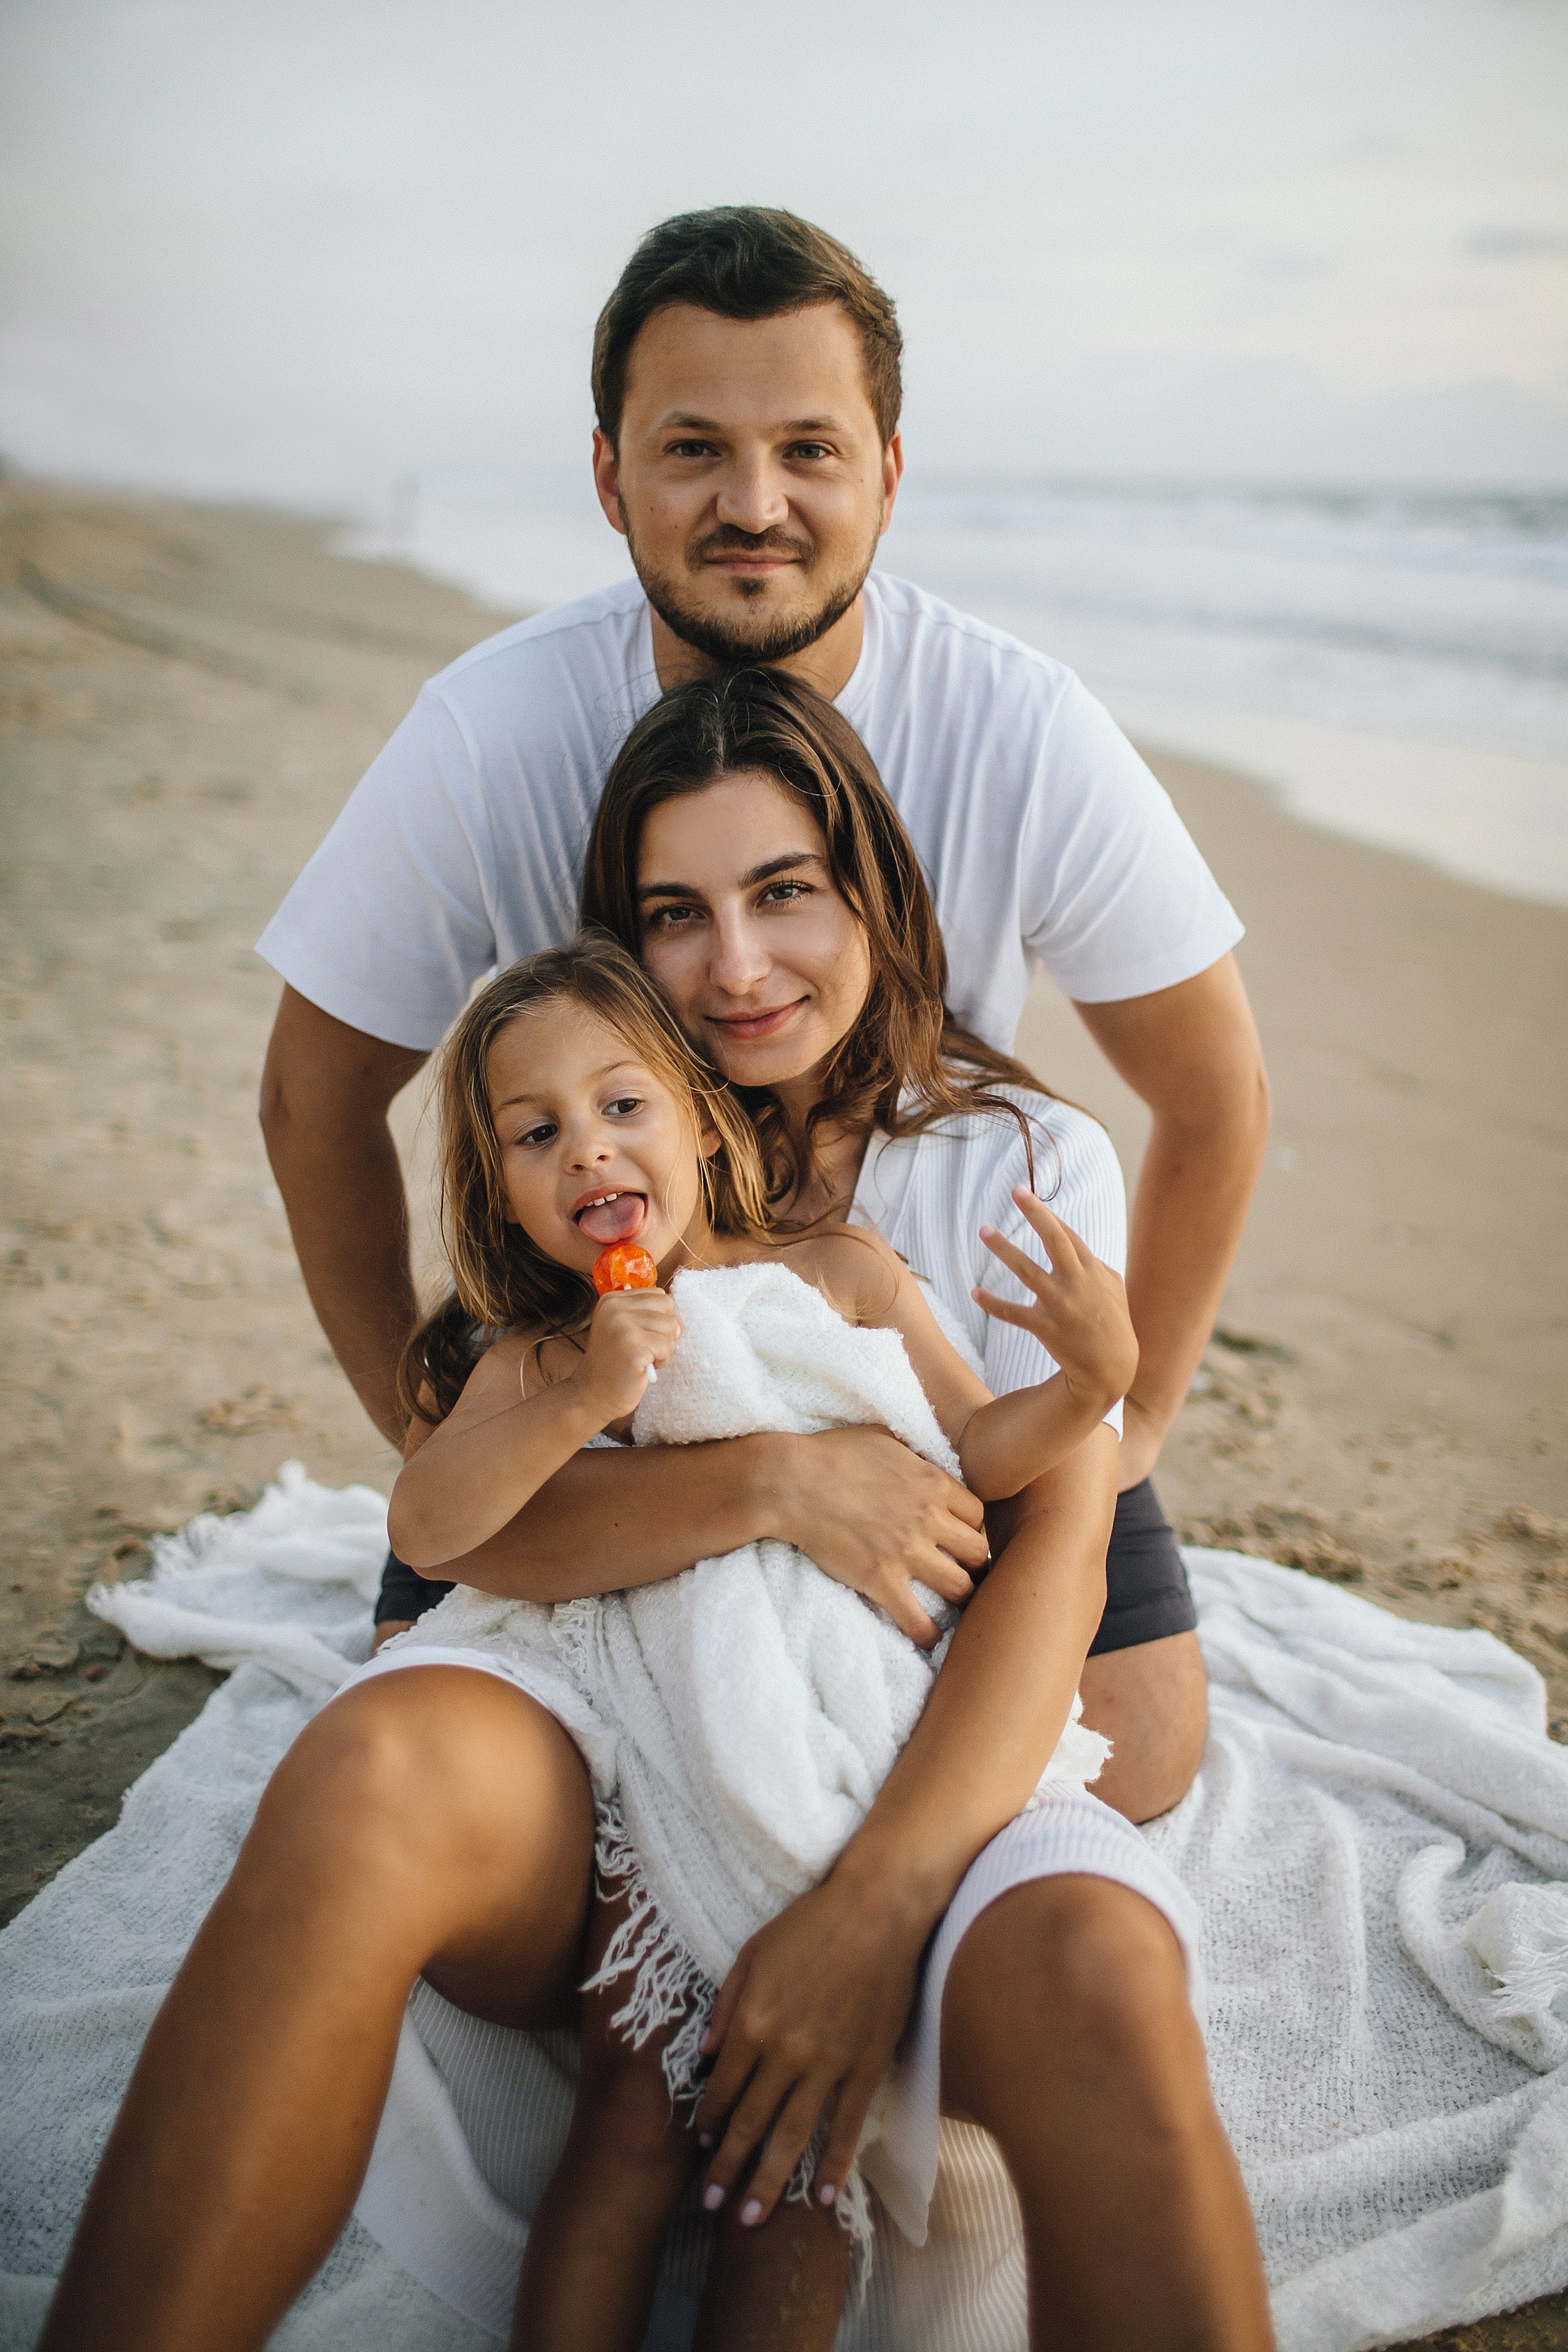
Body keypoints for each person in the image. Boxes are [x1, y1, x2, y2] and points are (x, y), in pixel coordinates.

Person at [39, 667, 1274, 2351]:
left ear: (875, 898)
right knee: (499, 1954)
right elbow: (459, 1514)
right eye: (675, 916)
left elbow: (1032, 1491)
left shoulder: (969, 1190)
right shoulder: (574, 1248)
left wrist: (1094, 1389)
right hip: (620, 1747)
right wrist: (768, 1479)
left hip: (886, 1726)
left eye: (788, 894)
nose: (740, 967)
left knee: (1091, 1989)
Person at [255, 203, 1271, 1819]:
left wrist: (1129, 1419)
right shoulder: (493, 732)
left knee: (1134, 1758)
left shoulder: (1022, 726)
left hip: (935, 1364)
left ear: (886, 467)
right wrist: (435, 1423)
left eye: (809, 447)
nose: (754, 504)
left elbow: (1214, 1098)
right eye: (692, 451)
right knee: (490, 1787)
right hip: (618, 1356)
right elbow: (315, 1094)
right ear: (610, 477)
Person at [374, 925, 1136, 2351]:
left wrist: (1092, 1380)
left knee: (792, 2172)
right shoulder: (538, 1353)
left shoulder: (839, 1271)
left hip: (857, 1743)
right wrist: (574, 1401)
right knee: (628, 2117)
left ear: (700, 1114)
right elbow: (430, 1528)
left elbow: (980, 1453)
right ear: (500, 1193)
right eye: (534, 1135)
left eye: (619, 1107)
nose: (587, 1154)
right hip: (672, 1759)